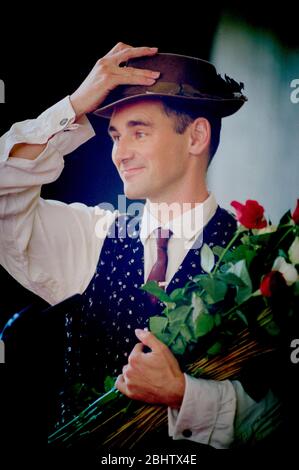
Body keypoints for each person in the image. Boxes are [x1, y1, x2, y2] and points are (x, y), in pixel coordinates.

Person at [0, 43, 278, 450]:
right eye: (115, 135)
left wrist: (184, 394)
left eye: (139, 132)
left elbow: (276, 413)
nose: (119, 153)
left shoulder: (260, 259)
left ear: (196, 136)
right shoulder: (91, 235)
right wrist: (73, 106)